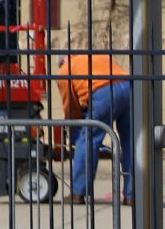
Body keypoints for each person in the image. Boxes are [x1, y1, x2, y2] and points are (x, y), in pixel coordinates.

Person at [56, 53, 133, 204]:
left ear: (61, 61)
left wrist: (74, 126)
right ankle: (132, 194)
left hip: (103, 93)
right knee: (131, 142)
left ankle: (78, 192)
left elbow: (70, 105)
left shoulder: (65, 69)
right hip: (129, 87)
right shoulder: (94, 56)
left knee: (87, 142)